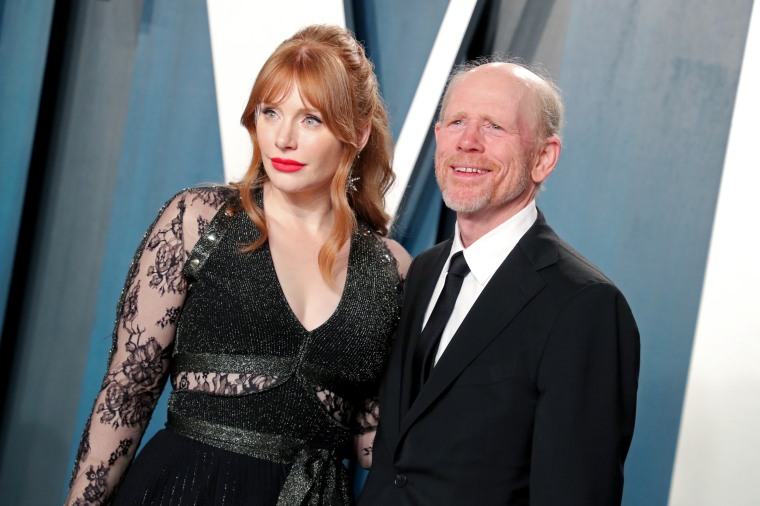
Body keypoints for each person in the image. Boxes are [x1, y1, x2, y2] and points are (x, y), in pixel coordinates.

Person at [65, 24, 411, 506]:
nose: (283, 138)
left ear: (357, 132)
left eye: (310, 119)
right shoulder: (200, 219)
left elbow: (376, 439)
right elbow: (129, 392)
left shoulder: (389, 268)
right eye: (271, 112)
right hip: (183, 490)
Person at [359, 58, 640, 505]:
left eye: (494, 127)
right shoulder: (422, 273)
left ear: (543, 158)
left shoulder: (583, 306)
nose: (468, 142)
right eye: (456, 122)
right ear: (438, 139)